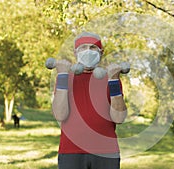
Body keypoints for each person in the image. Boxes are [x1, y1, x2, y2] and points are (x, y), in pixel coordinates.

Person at [52, 32, 127, 169]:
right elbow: (60, 115)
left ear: (101, 52)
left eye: (93, 48)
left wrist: (114, 81)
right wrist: (62, 75)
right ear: (75, 53)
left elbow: (119, 118)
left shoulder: (111, 78)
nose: (88, 51)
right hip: (71, 151)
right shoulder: (65, 77)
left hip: (107, 152)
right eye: (83, 47)